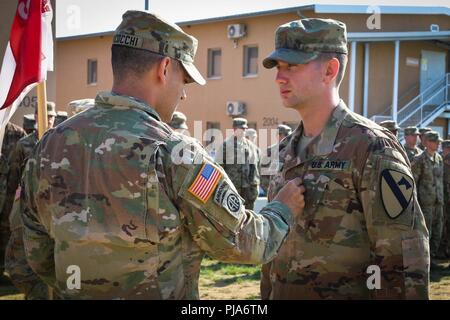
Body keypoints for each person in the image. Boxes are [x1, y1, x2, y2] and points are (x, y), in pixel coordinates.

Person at [22, 11, 305, 300]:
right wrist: (281, 209)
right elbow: (246, 243)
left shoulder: (49, 144)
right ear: (165, 68)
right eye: (184, 80)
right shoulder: (174, 153)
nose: (183, 95)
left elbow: (37, 250)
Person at [260, 17, 429, 299]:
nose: (279, 77)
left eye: (292, 65)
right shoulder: (283, 151)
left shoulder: (372, 148)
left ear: (330, 69)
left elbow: (403, 261)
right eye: (278, 67)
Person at [3, 102, 56, 299]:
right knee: (25, 261)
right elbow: (13, 179)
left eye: (51, 116)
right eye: (45, 115)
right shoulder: (23, 144)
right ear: (36, 116)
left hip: (51, 210)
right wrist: (9, 211)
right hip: (27, 209)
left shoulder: (59, 142)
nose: (48, 119)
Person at [411, 131, 444, 264]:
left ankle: (433, 258)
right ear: (428, 142)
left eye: (438, 142)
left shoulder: (439, 158)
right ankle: (424, 261)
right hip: (425, 203)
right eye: (436, 142)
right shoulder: (419, 159)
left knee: (438, 231)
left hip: (438, 201)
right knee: (426, 232)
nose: (438, 144)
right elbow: (414, 182)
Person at [216, 118, 261, 210]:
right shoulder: (225, 146)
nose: (242, 131)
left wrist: (255, 187)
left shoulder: (252, 147)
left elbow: (255, 168)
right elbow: (219, 168)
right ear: (234, 129)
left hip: (248, 191)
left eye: (244, 129)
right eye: (240, 129)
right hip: (232, 189)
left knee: (248, 218)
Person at [0, 122, 26, 283]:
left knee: (5, 233)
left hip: (8, 196)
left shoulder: (17, 135)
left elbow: (20, 170)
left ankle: (2, 271)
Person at [260, 124, 292, 195]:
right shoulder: (270, 151)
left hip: (290, 191)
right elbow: (264, 173)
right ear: (278, 136)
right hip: (274, 192)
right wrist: (269, 191)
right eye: (286, 135)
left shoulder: (293, 149)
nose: (289, 138)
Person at [438, 140, 450, 259]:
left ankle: (446, 249)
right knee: (443, 223)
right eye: (447, 148)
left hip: (447, 195)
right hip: (441, 196)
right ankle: (441, 249)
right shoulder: (439, 159)